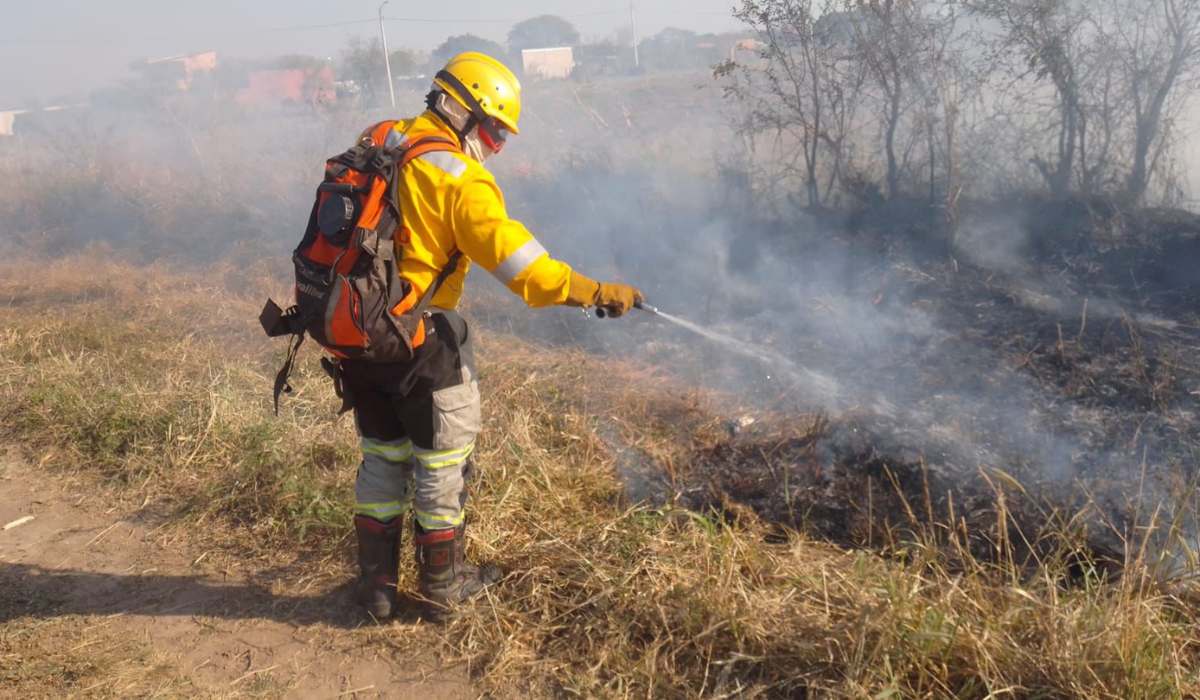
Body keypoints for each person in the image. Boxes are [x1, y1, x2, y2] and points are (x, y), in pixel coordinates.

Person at [341, 51, 643, 621]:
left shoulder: (378, 139)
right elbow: (525, 270)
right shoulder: (460, 177)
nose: (498, 144)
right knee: (440, 464)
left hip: (358, 336)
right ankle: (443, 591)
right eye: (495, 128)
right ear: (462, 111)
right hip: (421, 342)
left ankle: (375, 591)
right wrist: (597, 290)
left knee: (381, 459)